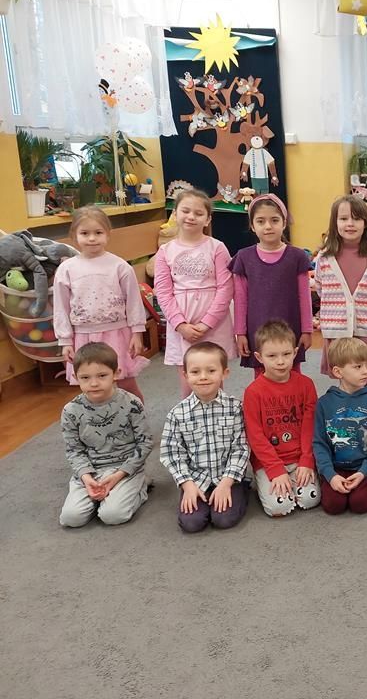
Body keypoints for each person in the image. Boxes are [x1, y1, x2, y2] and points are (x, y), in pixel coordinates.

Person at [54, 205, 149, 401]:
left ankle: (137, 415)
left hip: (116, 333)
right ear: (74, 235)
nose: (92, 238)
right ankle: (102, 418)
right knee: (92, 386)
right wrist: (65, 340)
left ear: (108, 233)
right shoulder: (66, 269)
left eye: (98, 232)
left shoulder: (120, 266)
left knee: (126, 383)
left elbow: (133, 301)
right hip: (83, 336)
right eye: (85, 233)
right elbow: (61, 307)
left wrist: (137, 332)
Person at [58, 343, 153, 527]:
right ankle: (101, 495)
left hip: (124, 469)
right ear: (75, 377)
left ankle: (140, 486)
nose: (94, 383)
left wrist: (119, 475)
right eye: (85, 377)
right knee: (71, 518)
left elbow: (145, 443)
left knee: (113, 516)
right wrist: (87, 478)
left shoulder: (132, 403)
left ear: (116, 373)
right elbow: (74, 450)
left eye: (102, 375)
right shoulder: (70, 411)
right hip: (91, 471)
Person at [153, 188, 236, 398]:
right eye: (185, 211)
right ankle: (190, 417)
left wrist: (206, 323)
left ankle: (219, 415)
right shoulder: (165, 251)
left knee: (213, 378)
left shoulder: (217, 248)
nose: (191, 217)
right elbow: (163, 292)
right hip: (182, 324)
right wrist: (180, 325)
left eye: (198, 213)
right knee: (189, 380)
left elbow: (226, 288)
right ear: (175, 214)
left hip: (214, 323)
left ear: (207, 219)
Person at [159, 342, 250, 533]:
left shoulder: (235, 408)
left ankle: (242, 488)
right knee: (191, 523)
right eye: (195, 372)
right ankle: (195, 493)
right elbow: (171, 453)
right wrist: (187, 485)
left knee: (223, 519)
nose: (203, 377)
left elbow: (241, 448)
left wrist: (226, 483)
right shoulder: (177, 413)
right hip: (195, 479)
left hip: (227, 477)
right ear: (185, 375)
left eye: (211, 371)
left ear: (224, 373)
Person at [243, 319, 320, 518]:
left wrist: (306, 460)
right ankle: (266, 480)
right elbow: (255, 436)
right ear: (259, 357)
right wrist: (275, 469)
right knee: (279, 507)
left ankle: (294, 479)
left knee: (310, 499)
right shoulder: (253, 392)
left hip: (299, 457)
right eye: (272, 356)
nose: (280, 361)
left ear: (295, 353)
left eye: (286, 354)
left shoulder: (306, 385)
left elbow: (310, 426)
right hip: (269, 461)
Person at [229, 194, 312, 374]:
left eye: (274, 220)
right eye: (261, 221)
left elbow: (305, 296)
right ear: (252, 226)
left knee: (292, 374)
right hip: (257, 328)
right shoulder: (244, 257)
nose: (268, 226)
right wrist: (240, 333)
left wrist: (307, 330)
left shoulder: (297, 256)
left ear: (284, 223)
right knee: (262, 377)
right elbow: (240, 299)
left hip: (290, 327)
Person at [314, 196, 367, 388]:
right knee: (344, 377)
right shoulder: (324, 257)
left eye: (356, 218)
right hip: (337, 330)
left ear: (366, 223)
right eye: (343, 218)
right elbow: (321, 288)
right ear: (335, 222)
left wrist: (365, 308)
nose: (350, 223)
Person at [313, 336, 367, 515]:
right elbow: (319, 443)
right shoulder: (324, 403)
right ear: (338, 372)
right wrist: (330, 475)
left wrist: (365, 471)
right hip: (336, 467)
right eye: (358, 367)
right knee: (333, 506)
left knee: (360, 504)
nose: (365, 371)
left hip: (366, 466)